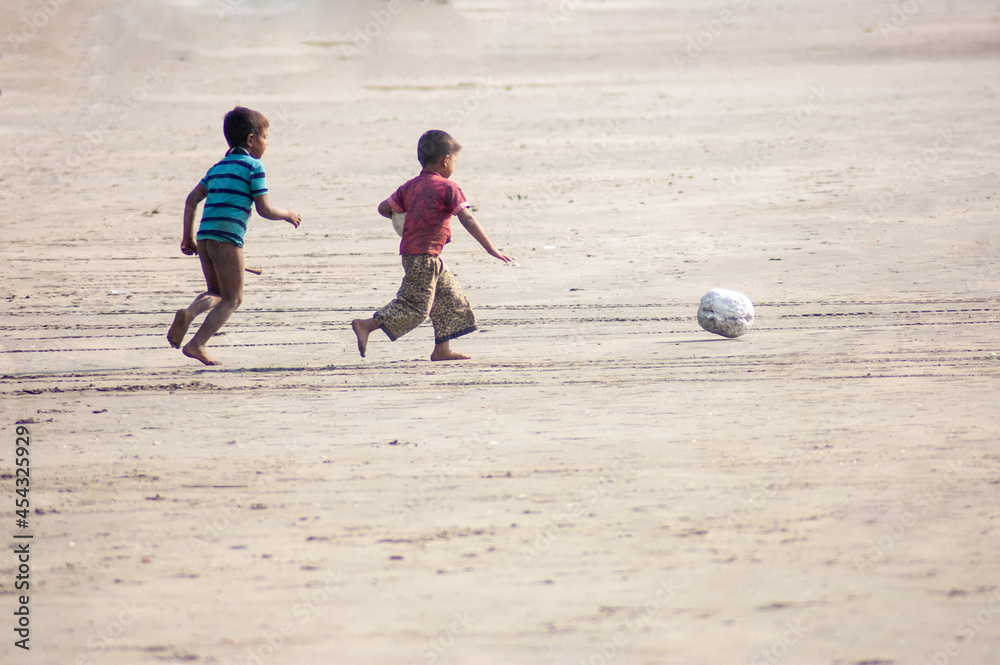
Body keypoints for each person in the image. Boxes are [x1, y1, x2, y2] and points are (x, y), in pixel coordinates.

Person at [352, 130, 510, 361]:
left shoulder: (410, 186)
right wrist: (490, 249)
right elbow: (467, 218)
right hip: (423, 258)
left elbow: (383, 209)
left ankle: (442, 349)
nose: (454, 165)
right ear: (446, 160)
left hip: (419, 255)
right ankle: (367, 325)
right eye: (455, 161)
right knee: (416, 307)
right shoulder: (447, 187)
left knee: (449, 298)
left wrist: (406, 221)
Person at [167, 106, 301, 365]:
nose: (266, 142)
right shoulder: (253, 167)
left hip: (205, 238)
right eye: (264, 137)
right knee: (233, 298)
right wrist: (287, 214)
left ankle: (190, 311)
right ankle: (197, 343)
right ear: (251, 140)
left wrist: (188, 238)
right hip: (228, 240)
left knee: (215, 292)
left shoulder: (217, 167)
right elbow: (264, 209)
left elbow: (191, 199)